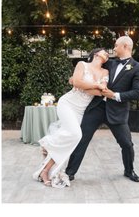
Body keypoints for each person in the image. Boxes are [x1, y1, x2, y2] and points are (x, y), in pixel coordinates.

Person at [66, 36, 139, 183]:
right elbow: (90, 68)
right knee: (82, 140)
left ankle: (129, 171)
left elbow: (138, 92)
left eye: (116, 46)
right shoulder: (110, 63)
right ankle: (69, 172)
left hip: (117, 111)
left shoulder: (138, 68)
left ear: (125, 46)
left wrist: (115, 95)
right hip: (97, 107)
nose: (113, 49)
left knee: (126, 144)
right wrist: (74, 79)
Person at [33, 48, 109, 187]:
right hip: (67, 104)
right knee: (75, 135)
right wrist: (93, 84)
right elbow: (76, 83)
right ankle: (48, 144)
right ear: (96, 54)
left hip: (80, 111)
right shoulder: (82, 64)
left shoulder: (105, 72)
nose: (107, 54)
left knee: (70, 140)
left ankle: (45, 170)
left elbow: (100, 92)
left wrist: (82, 84)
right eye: (105, 52)